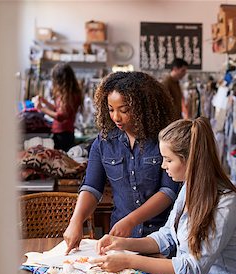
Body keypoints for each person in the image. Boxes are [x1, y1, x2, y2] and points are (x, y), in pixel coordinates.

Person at [91, 117, 236, 274]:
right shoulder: (188, 188)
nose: (163, 166)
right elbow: (167, 235)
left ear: (190, 161)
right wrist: (122, 243)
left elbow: (192, 268)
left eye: (168, 159)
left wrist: (129, 260)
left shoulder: (225, 203)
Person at [64, 71, 180, 254]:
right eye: (111, 109)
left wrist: (131, 220)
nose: (116, 117)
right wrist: (76, 221)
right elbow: (92, 187)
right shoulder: (104, 143)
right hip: (121, 240)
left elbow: (168, 192)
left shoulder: (164, 140)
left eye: (124, 110)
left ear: (144, 107)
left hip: (162, 240)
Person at [33, 63, 82, 151]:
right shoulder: (69, 93)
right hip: (64, 133)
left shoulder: (69, 95)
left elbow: (60, 116)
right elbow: (58, 109)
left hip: (63, 135)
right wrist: (45, 101)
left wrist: (41, 108)